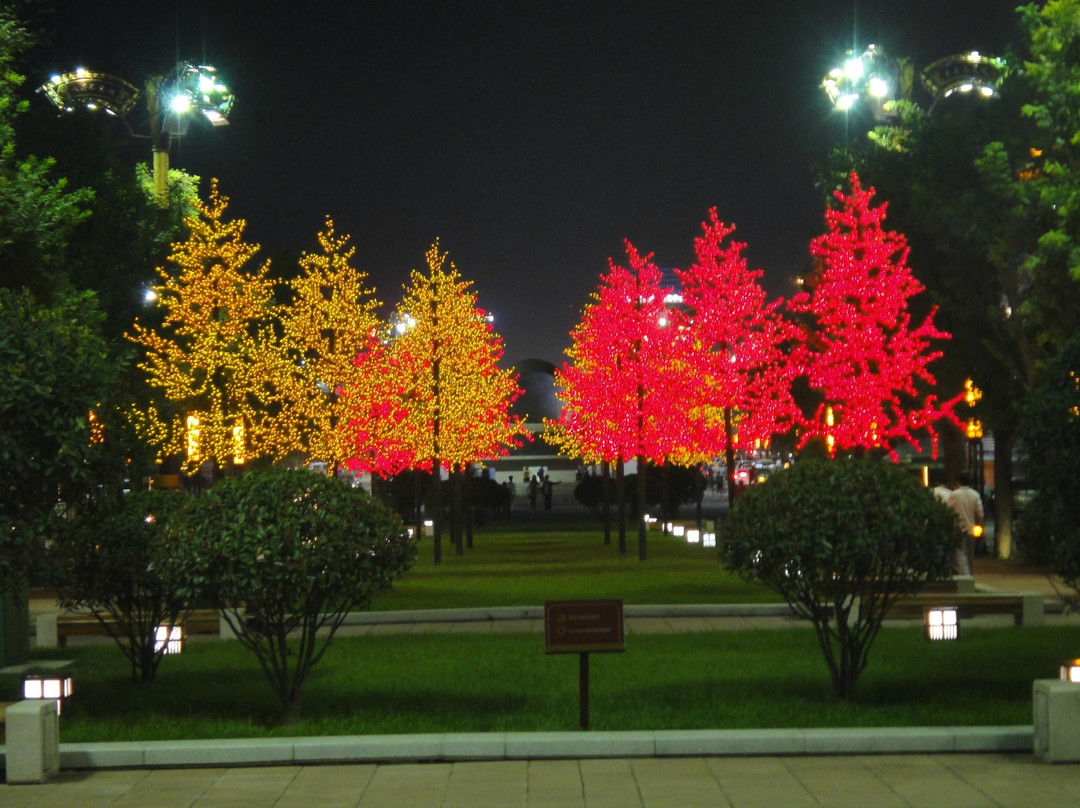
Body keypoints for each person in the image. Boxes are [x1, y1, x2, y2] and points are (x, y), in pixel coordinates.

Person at [948, 473, 984, 574]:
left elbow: (948, 509)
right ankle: (970, 574)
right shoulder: (975, 494)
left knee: (960, 554)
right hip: (971, 529)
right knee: (970, 555)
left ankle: (965, 575)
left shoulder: (954, 495)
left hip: (957, 528)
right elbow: (980, 514)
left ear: (958, 482)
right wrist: (981, 529)